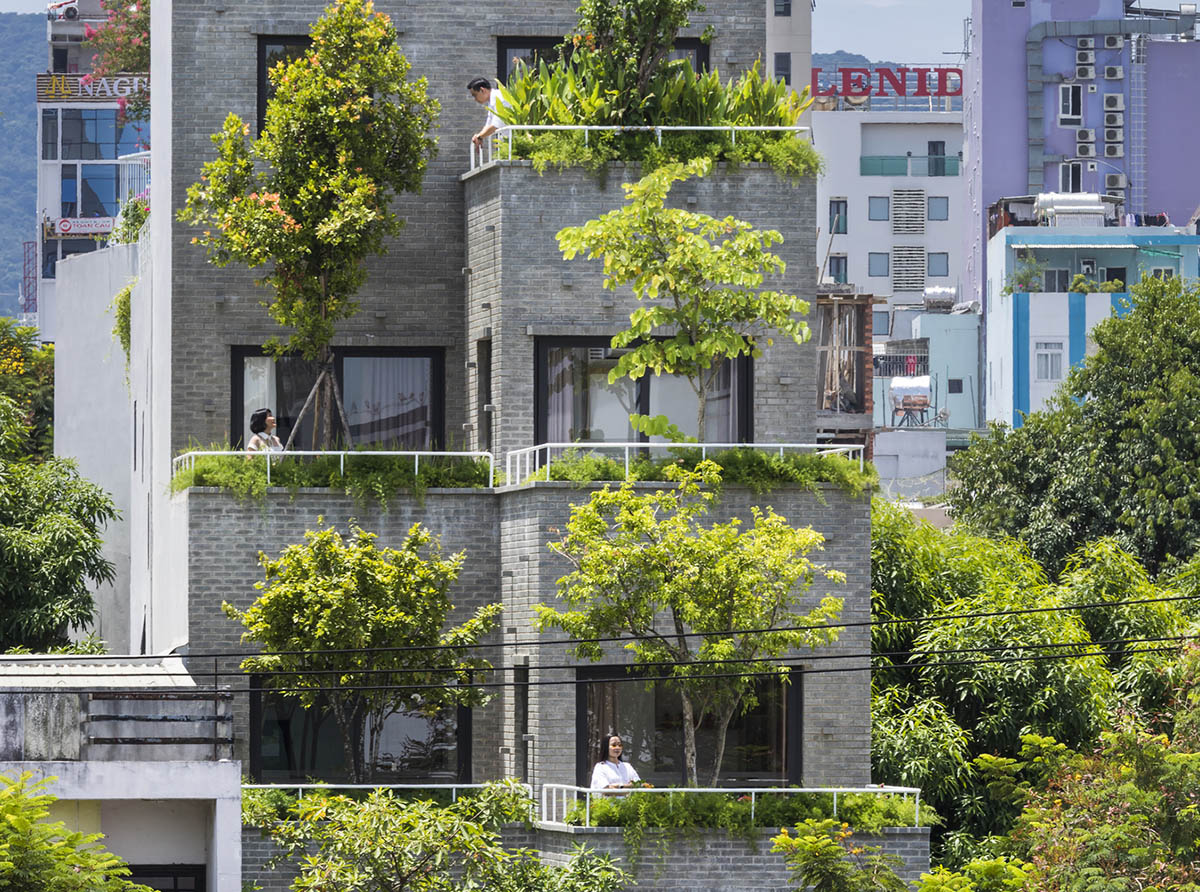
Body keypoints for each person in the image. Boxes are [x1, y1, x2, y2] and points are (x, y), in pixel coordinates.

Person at [468, 76, 506, 150]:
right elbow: (489, 123)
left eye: (475, 95)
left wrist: (480, 137)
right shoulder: (492, 100)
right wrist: (479, 136)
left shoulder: (499, 97)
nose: (475, 99)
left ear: (482, 90)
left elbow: (495, 125)